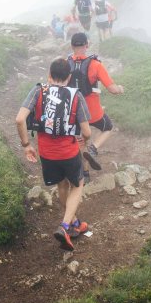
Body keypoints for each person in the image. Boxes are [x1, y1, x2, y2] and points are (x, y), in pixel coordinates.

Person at [15, 58, 92, 251]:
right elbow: (87, 132)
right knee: (78, 184)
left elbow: (19, 119)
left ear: (49, 75)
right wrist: (85, 139)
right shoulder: (76, 96)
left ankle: (74, 223)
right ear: (69, 77)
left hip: (47, 154)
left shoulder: (38, 90)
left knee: (62, 184)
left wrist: (26, 145)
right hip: (68, 151)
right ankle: (65, 226)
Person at [67, 33, 124, 180]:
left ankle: (84, 174)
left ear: (72, 46)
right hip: (93, 112)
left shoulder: (64, 63)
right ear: (87, 45)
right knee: (108, 127)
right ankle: (93, 149)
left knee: (82, 141)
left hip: (73, 113)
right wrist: (120, 88)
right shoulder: (95, 64)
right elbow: (112, 89)